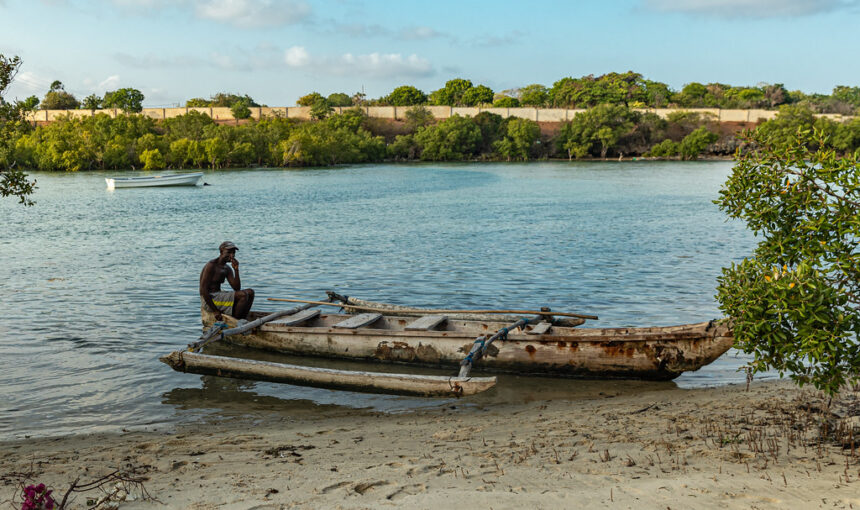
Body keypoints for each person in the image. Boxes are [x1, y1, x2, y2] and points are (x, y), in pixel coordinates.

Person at [199, 241, 255, 321]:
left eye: (233, 253)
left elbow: (236, 288)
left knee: (250, 292)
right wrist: (215, 311)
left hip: (218, 296)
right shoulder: (211, 265)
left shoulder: (226, 268)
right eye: (228, 252)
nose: (232, 255)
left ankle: (242, 318)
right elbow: (203, 290)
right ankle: (236, 321)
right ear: (221, 252)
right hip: (209, 300)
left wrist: (236, 269)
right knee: (243, 295)